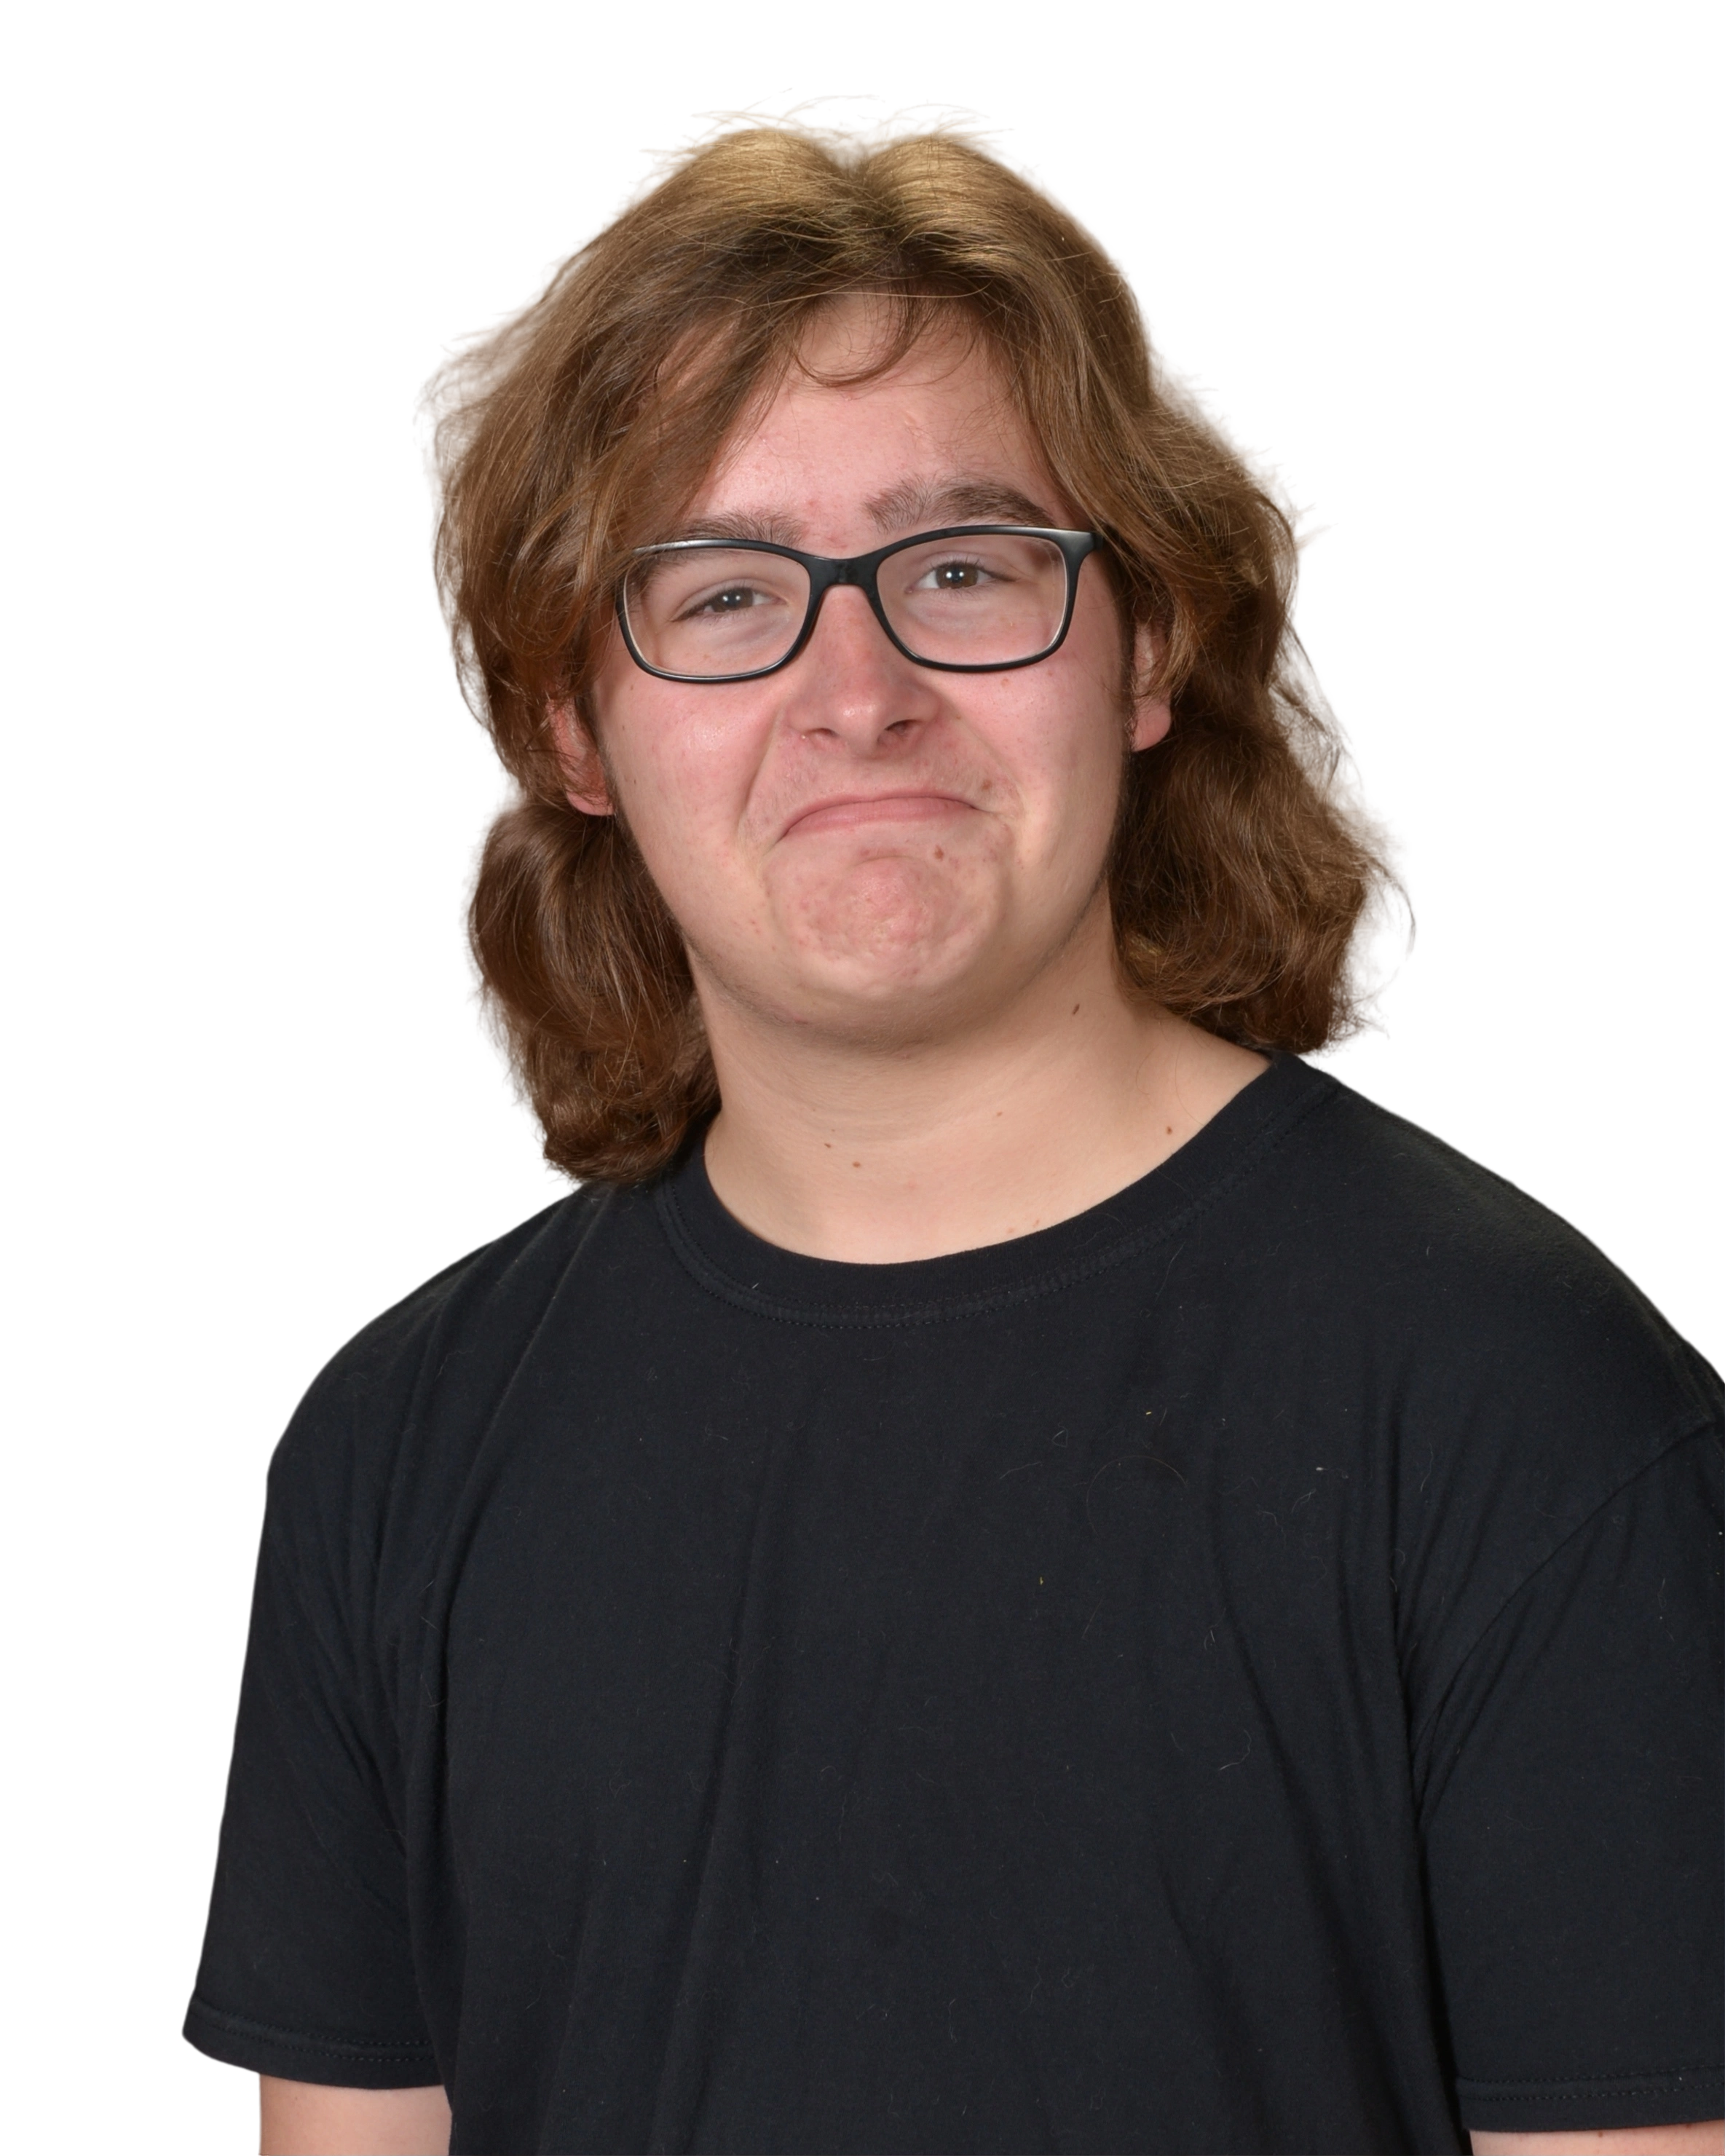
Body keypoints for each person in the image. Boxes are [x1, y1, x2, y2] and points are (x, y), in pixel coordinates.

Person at [178, 92, 1724, 2156]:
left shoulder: (1524, 1408)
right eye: (724, 594)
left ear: (1148, 648)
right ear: (572, 730)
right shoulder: (395, 1459)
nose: (860, 690)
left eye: (966, 567)